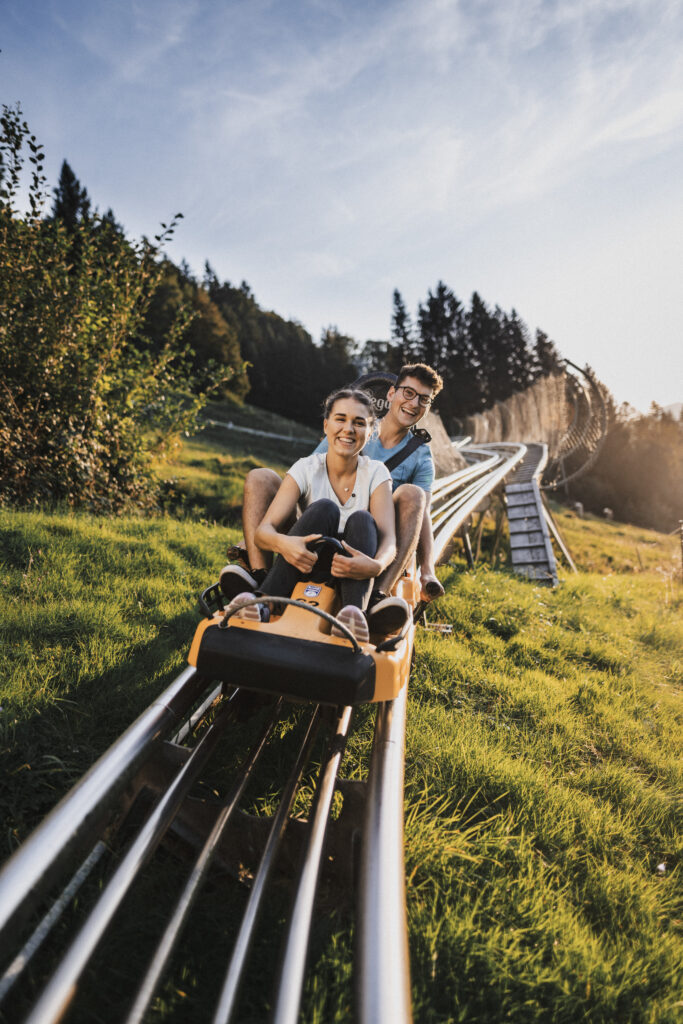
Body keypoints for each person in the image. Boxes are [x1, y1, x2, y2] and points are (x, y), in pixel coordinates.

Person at [223, 363, 445, 607]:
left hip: (368, 536)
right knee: (261, 477)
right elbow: (311, 474)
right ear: (391, 394)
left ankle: (376, 598)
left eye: (424, 400)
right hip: (319, 522)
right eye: (409, 393)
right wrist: (269, 533)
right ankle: (261, 578)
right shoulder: (351, 430)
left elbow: (420, 513)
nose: (414, 404)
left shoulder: (419, 456)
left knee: (407, 497)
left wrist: (427, 569)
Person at [223, 388, 409, 643]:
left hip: (353, 570)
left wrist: (376, 565)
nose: (349, 429)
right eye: (340, 419)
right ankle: (264, 602)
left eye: (359, 423)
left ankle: (354, 614)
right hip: (307, 562)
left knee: (363, 520)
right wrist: (286, 543)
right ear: (326, 425)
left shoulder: (376, 472)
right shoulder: (306, 468)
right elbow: (264, 531)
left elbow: (388, 539)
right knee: (324, 508)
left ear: (371, 431)